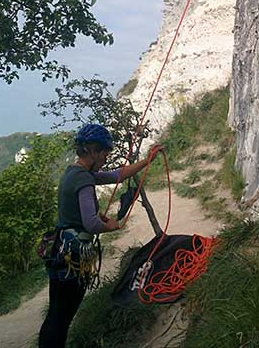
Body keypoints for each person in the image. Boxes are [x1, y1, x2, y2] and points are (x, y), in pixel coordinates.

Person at [38, 123, 162, 348]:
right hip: (72, 259)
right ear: (93, 150)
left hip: (60, 252)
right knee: (62, 317)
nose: (106, 157)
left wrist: (147, 160)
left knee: (56, 313)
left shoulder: (74, 172)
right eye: (105, 152)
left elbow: (117, 175)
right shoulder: (84, 179)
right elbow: (91, 223)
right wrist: (113, 226)